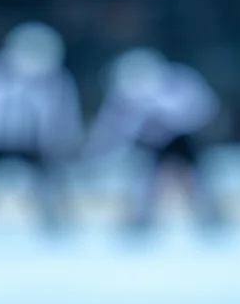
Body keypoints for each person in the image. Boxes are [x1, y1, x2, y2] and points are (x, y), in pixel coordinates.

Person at [0, 22, 83, 228]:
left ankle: (57, 226)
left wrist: (63, 141)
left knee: (50, 185)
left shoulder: (57, 78)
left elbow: (64, 113)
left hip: (36, 145)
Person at [85, 48, 223, 230]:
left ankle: (210, 219)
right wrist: (95, 155)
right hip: (150, 143)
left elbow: (204, 108)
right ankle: (140, 221)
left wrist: (167, 112)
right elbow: (110, 128)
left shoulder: (181, 81)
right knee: (144, 182)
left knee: (195, 180)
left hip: (183, 137)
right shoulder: (123, 96)